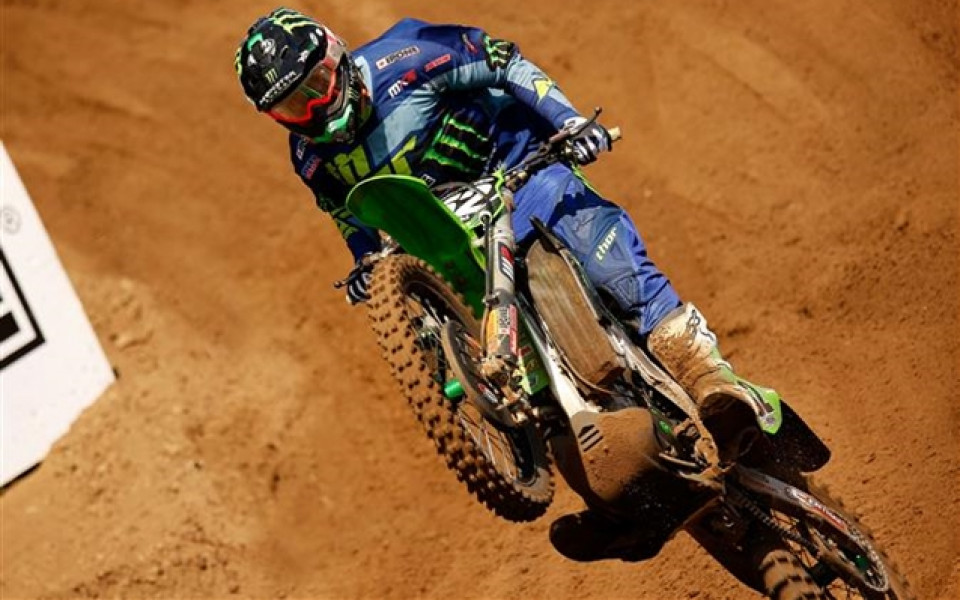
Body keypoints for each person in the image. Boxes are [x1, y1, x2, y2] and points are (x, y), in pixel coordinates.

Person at [235, 7, 778, 562]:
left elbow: (504, 61)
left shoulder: (411, 54)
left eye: (317, 85)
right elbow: (346, 212)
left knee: (611, 269)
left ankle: (717, 385)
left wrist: (569, 122)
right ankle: (621, 505)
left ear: (336, 56)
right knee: (526, 389)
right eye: (291, 106)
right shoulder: (309, 155)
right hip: (453, 241)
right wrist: (364, 261)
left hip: (524, 174)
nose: (313, 110)